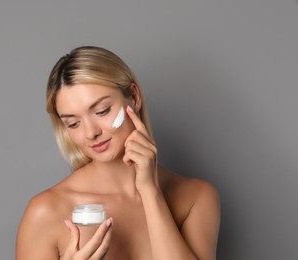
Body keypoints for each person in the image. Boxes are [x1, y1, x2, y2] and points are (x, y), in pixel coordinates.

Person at [16, 46, 220, 260]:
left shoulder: (196, 198)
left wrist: (150, 191)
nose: (91, 133)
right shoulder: (46, 212)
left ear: (134, 96)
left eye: (102, 111)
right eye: (74, 123)